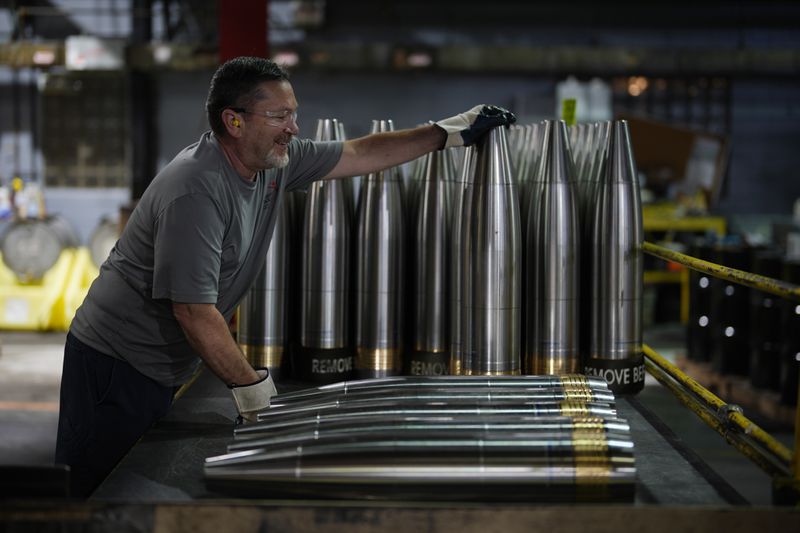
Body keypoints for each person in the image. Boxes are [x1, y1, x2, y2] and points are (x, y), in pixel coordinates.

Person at [54, 56, 515, 497]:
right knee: (105, 495)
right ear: (234, 122)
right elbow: (194, 311)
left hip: (164, 364)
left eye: (293, 115)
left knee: (144, 480)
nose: (293, 129)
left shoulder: (274, 162)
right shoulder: (195, 190)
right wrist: (254, 393)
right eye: (280, 117)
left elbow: (357, 153)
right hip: (114, 365)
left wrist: (446, 133)